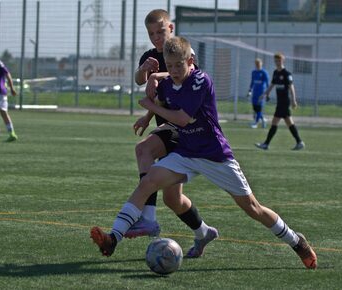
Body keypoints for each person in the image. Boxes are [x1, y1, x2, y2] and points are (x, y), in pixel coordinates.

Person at [90, 37, 317, 270]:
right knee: (148, 182)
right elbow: (161, 98)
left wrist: (149, 105)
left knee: (253, 208)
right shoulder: (168, 83)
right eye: (170, 65)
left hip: (215, 155)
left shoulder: (201, 81)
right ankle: (113, 238)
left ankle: (296, 241)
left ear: (191, 61)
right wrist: (151, 100)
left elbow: (180, 118)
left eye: (180, 64)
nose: (175, 70)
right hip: (186, 153)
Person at [126, 9, 200, 240]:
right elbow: (140, 81)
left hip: (188, 129)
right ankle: (204, 232)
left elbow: (190, 75)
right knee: (173, 199)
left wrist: (157, 76)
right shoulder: (150, 56)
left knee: (143, 149)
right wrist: (144, 70)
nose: (156, 37)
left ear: (171, 28)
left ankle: (147, 219)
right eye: (151, 34)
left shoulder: (184, 52)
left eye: (160, 31)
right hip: (169, 129)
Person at [255, 53, 304, 150]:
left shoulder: (287, 74)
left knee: (275, 122)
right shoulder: (275, 73)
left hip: (284, 103)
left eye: (279, 60)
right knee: (289, 123)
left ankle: (266, 144)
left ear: (283, 61)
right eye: (276, 61)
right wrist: (265, 94)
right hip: (280, 102)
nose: (277, 62)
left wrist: (294, 100)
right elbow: (272, 85)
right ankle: (299, 142)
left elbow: (291, 87)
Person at [247, 58, 269, 129]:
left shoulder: (264, 72)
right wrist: (250, 91)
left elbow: (268, 83)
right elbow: (252, 82)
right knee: (255, 108)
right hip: (255, 93)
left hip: (261, 93)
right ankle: (263, 120)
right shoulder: (253, 72)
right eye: (256, 63)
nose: (257, 65)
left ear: (261, 64)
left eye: (259, 63)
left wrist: (267, 93)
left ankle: (256, 123)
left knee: (259, 108)